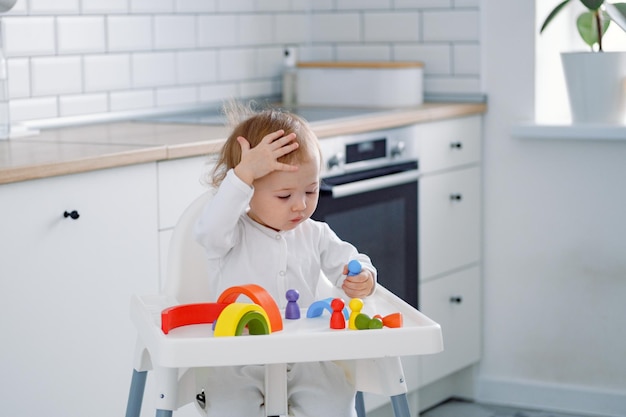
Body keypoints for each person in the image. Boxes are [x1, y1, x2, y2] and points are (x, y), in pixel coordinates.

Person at [193, 101, 377, 417]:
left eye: (311, 191)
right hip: (241, 358)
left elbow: (349, 261)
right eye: (284, 196)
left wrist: (362, 278)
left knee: (335, 399)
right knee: (230, 406)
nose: (300, 206)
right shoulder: (229, 233)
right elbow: (207, 231)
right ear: (247, 190)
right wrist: (244, 173)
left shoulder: (315, 233)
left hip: (306, 354)